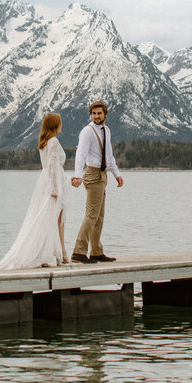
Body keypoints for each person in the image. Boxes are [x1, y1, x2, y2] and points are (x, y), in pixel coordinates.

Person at [0, 113, 71, 269]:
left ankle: (58, 253)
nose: (62, 125)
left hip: (45, 181)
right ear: (56, 125)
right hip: (52, 182)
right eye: (60, 123)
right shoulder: (54, 141)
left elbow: (50, 167)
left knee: (49, 217)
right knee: (54, 218)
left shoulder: (44, 142)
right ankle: (55, 254)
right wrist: (55, 189)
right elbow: (53, 167)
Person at [70, 100, 123, 263]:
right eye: (94, 113)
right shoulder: (87, 131)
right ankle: (79, 251)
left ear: (105, 114)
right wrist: (78, 175)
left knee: (99, 216)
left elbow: (109, 155)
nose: (96, 116)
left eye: (99, 113)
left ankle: (96, 252)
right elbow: (81, 153)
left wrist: (116, 174)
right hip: (92, 175)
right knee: (92, 215)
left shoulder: (106, 130)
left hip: (103, 175)